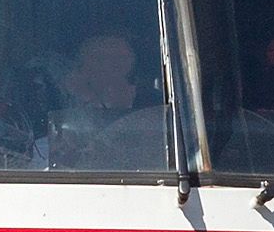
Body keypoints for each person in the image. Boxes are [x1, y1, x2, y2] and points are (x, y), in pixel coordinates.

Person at [29, 29, 174, 172]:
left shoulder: (163, 120)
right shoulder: (50, 132)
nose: (107, 72)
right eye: (96, 61)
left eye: (115, 64)